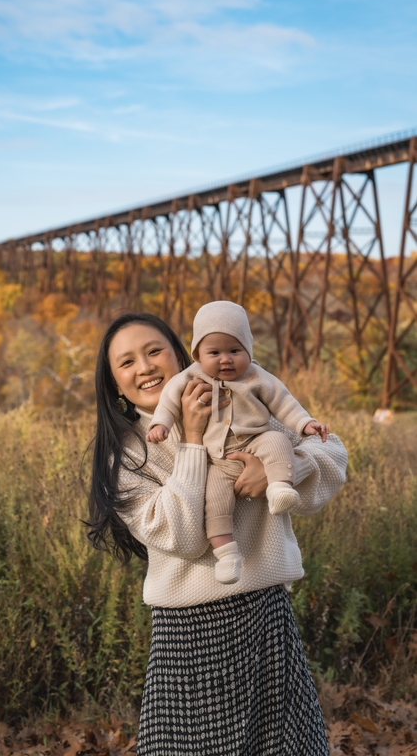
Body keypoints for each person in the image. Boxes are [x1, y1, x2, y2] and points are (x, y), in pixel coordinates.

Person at [88, 311, 347, 756]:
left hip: (266, 613)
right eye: (126, 362)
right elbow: (185, 538)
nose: (145, 368)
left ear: (184, 354)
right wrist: (190, 440)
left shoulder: (245, 405)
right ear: (114, 383)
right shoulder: (126, 457)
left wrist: (279, 469)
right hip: (189, 635)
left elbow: (334, 452)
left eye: (154, 352)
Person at [146, 301, 330, 585]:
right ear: (197, 355)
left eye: (235, 351)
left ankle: (281, 487)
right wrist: (161, 424)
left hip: (256, 441)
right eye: (214, 353)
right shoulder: (190, 377)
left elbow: (284, 403)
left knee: (277, 440)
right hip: (217, 462)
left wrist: (306, 424)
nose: (225, 360)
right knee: (215, 504)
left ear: (248, 351)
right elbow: (169, 401)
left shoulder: (258, 377)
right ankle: (227, 554)